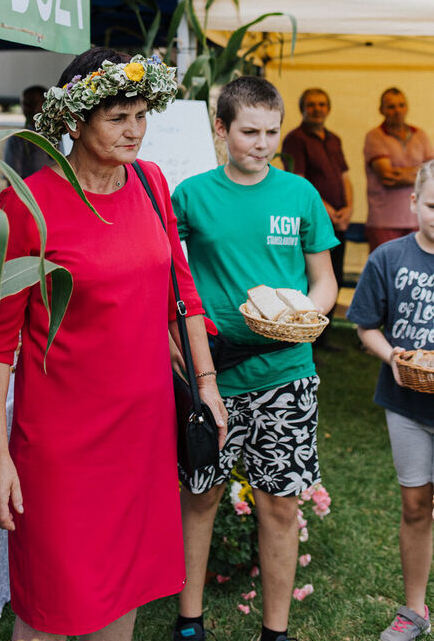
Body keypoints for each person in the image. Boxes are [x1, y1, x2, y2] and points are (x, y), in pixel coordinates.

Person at [0, 47, 227, 641]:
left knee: (125, 596)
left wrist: (208, 387)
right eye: (117, 117)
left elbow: (181, 297)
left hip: (142, 438)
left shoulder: (151, 181)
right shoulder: (23, 206)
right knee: (51, 609)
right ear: (74, 122)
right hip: (61, 450)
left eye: (141, 114)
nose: (134, 130)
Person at [171, 76, 338, 641]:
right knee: (200, 495)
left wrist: (304, 316)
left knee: (280, 505)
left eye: (271, 132)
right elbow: (170, 276)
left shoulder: (301, 196)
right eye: (248, 132)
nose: (261, 143)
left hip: (286, 375)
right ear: (221, 130)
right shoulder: (191, 195)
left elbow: (323, 281)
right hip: (213, 372)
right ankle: (188, 619)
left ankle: (276, 630)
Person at [346, 160, 434, 641]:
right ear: (414, 203)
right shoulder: (388, 258)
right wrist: (393, 358)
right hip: (408, 407)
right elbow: (365, 325)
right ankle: (415, 611)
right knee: (416, 505)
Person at [282, 88, 353, 332]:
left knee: (336, 278)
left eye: (322, 104)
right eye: (311, 104)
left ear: (328, 108)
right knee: (315, 279)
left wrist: (349, 208)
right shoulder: (295, 139)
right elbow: (299, 181)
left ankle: (324, 335)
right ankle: (309, 336)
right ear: (302, 108)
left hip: (338, 222)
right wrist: (329, 211)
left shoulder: (334, 139)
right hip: (314, 222)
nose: (317, 109)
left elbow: (345, 177)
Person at [364, 88, 434, 253]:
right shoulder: (374, 136)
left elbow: (431, 174)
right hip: (383, 221)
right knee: (385, 273)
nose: (397, 111)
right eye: (391, 106)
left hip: (416, 220)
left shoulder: (421, 135)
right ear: (381, 110)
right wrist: (420, 171)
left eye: (401, 105)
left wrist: (400, 172)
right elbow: (387, 176)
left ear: (407, 107)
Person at [3, 84, 51, 178]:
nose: (30, 109)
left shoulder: (62, 134)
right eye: (26, 104)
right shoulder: (18, 139)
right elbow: (12, 179)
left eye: (34, 103)